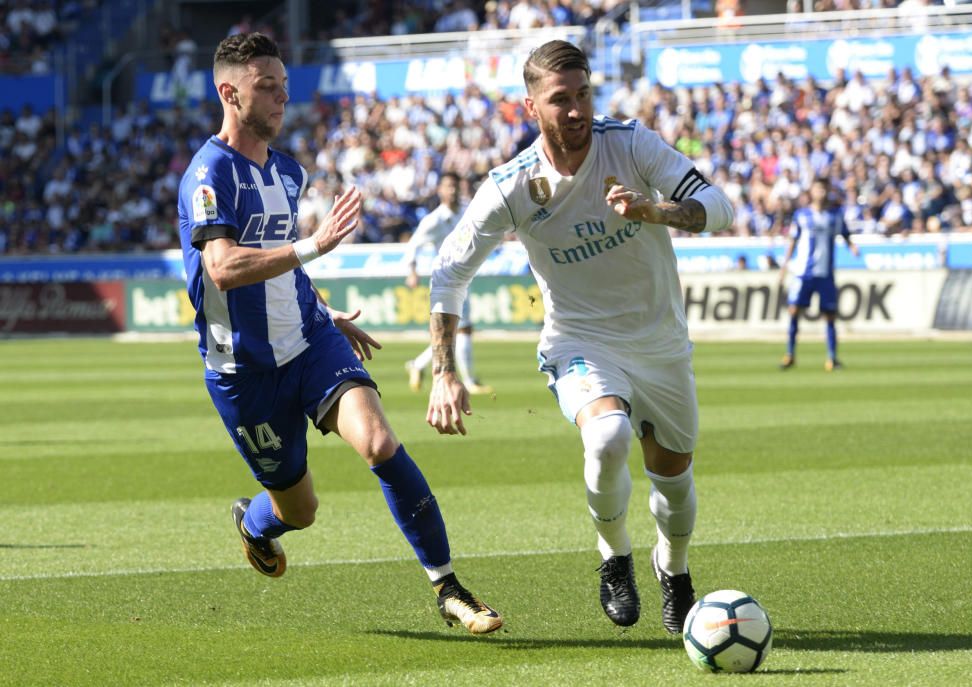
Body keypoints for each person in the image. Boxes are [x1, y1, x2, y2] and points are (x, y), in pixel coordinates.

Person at [176, 32, 501, 635]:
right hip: (241, 370)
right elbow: (221, 266)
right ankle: (255, 524)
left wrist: (324, 312)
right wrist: (315, 244)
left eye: (284, 87)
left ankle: (450, 589)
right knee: (300, 511)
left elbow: (283, 266)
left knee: (379, 443)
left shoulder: (289, 172)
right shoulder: (207, 173)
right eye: (265, 88)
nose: (281, 100)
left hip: (310, 343)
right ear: (230, 92)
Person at [424, 40, 735, 634]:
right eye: (559, 99)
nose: (575, 110)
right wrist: (444, 371)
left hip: (661, 341)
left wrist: (656, 211)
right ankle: (614, 556)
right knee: (609, 437)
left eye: (583, 94)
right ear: (530, 107)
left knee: (673, 479)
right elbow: (450, 271)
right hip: (579, 341)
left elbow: (716, 205)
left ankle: (674, 568)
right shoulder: (512, 185)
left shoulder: (632, 143)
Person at [403, 171, 493, 395]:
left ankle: (417, 364)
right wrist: (412, 271)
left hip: (464, 277)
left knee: (452, 333)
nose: (452, 190)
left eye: (455, 186)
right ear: (440, 190)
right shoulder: (434, 220)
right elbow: (412, 245)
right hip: (446, 279)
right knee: (463, 330)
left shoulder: (465, 212)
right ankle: (470, 381)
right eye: (448, 186)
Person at [778, 177, 860, 371]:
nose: (820, 193)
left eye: (823, 189)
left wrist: (852, 247)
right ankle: (790, 354)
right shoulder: (801, 215)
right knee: (793, 311)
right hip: (803, 273)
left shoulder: (835, 215)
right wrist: (785, 265)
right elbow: (793, 240)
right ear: (811, 191)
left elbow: (846, 234)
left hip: (825, 274)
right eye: (817, 189)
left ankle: (832, 358)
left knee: (830, 315)